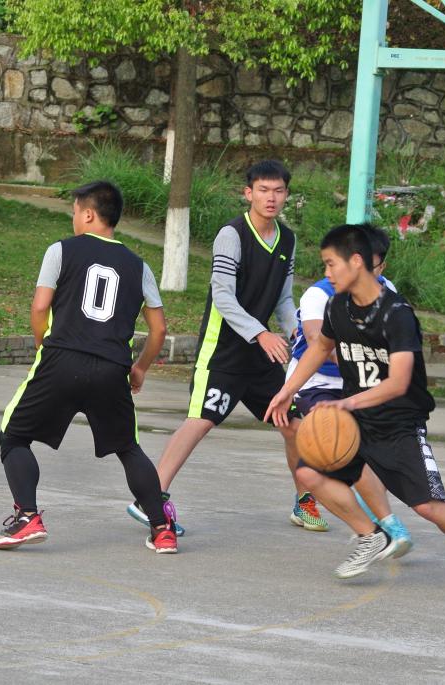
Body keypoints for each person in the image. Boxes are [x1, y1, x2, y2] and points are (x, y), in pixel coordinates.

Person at [265, 224, 445, 593]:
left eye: (331, 264)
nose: (327, 273)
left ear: (356, 262)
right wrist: (288, 389)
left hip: (399, 424)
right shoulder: (338, 305)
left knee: (429, 506)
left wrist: (345, 402)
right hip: (357, 422)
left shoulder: (396, 313)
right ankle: (371, 536)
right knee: (311, 474)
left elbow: (398, 382)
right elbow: (319, 348)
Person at [125, 160, 313, 535]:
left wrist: (299, 333)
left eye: (278, 191)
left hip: (261, 357)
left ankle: (305, 500)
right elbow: (223, 296)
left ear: (286, 195)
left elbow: (283, 299)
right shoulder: (232, 235)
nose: (271, 197)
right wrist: (261, 333)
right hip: (223, 351)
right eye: (263, 190)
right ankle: (149, 499)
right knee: (200, 421)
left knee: (294, 425)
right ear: (249, 193)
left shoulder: (287, 240)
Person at [0, 181, 175, 552]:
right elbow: (159, 330)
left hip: (61, 358)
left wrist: (43, 346)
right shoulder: (139, 267)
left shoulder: (61, 250)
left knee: (13, 436)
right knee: (128, 447)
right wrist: (140, 368)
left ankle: (28, 516)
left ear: (88, 214)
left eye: (74, 212)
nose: (73, 219)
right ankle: (161, 528)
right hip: (112, 368)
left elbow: (40, 307)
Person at [287, 226, 413, 552]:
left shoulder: (388, 293)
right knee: (344, 447)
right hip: (318, 383)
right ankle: (380, 526)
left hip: (361, 384)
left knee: (365, 452)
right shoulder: (319, 295)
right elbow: (318, 343)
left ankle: (379, 524)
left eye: (374, 265)